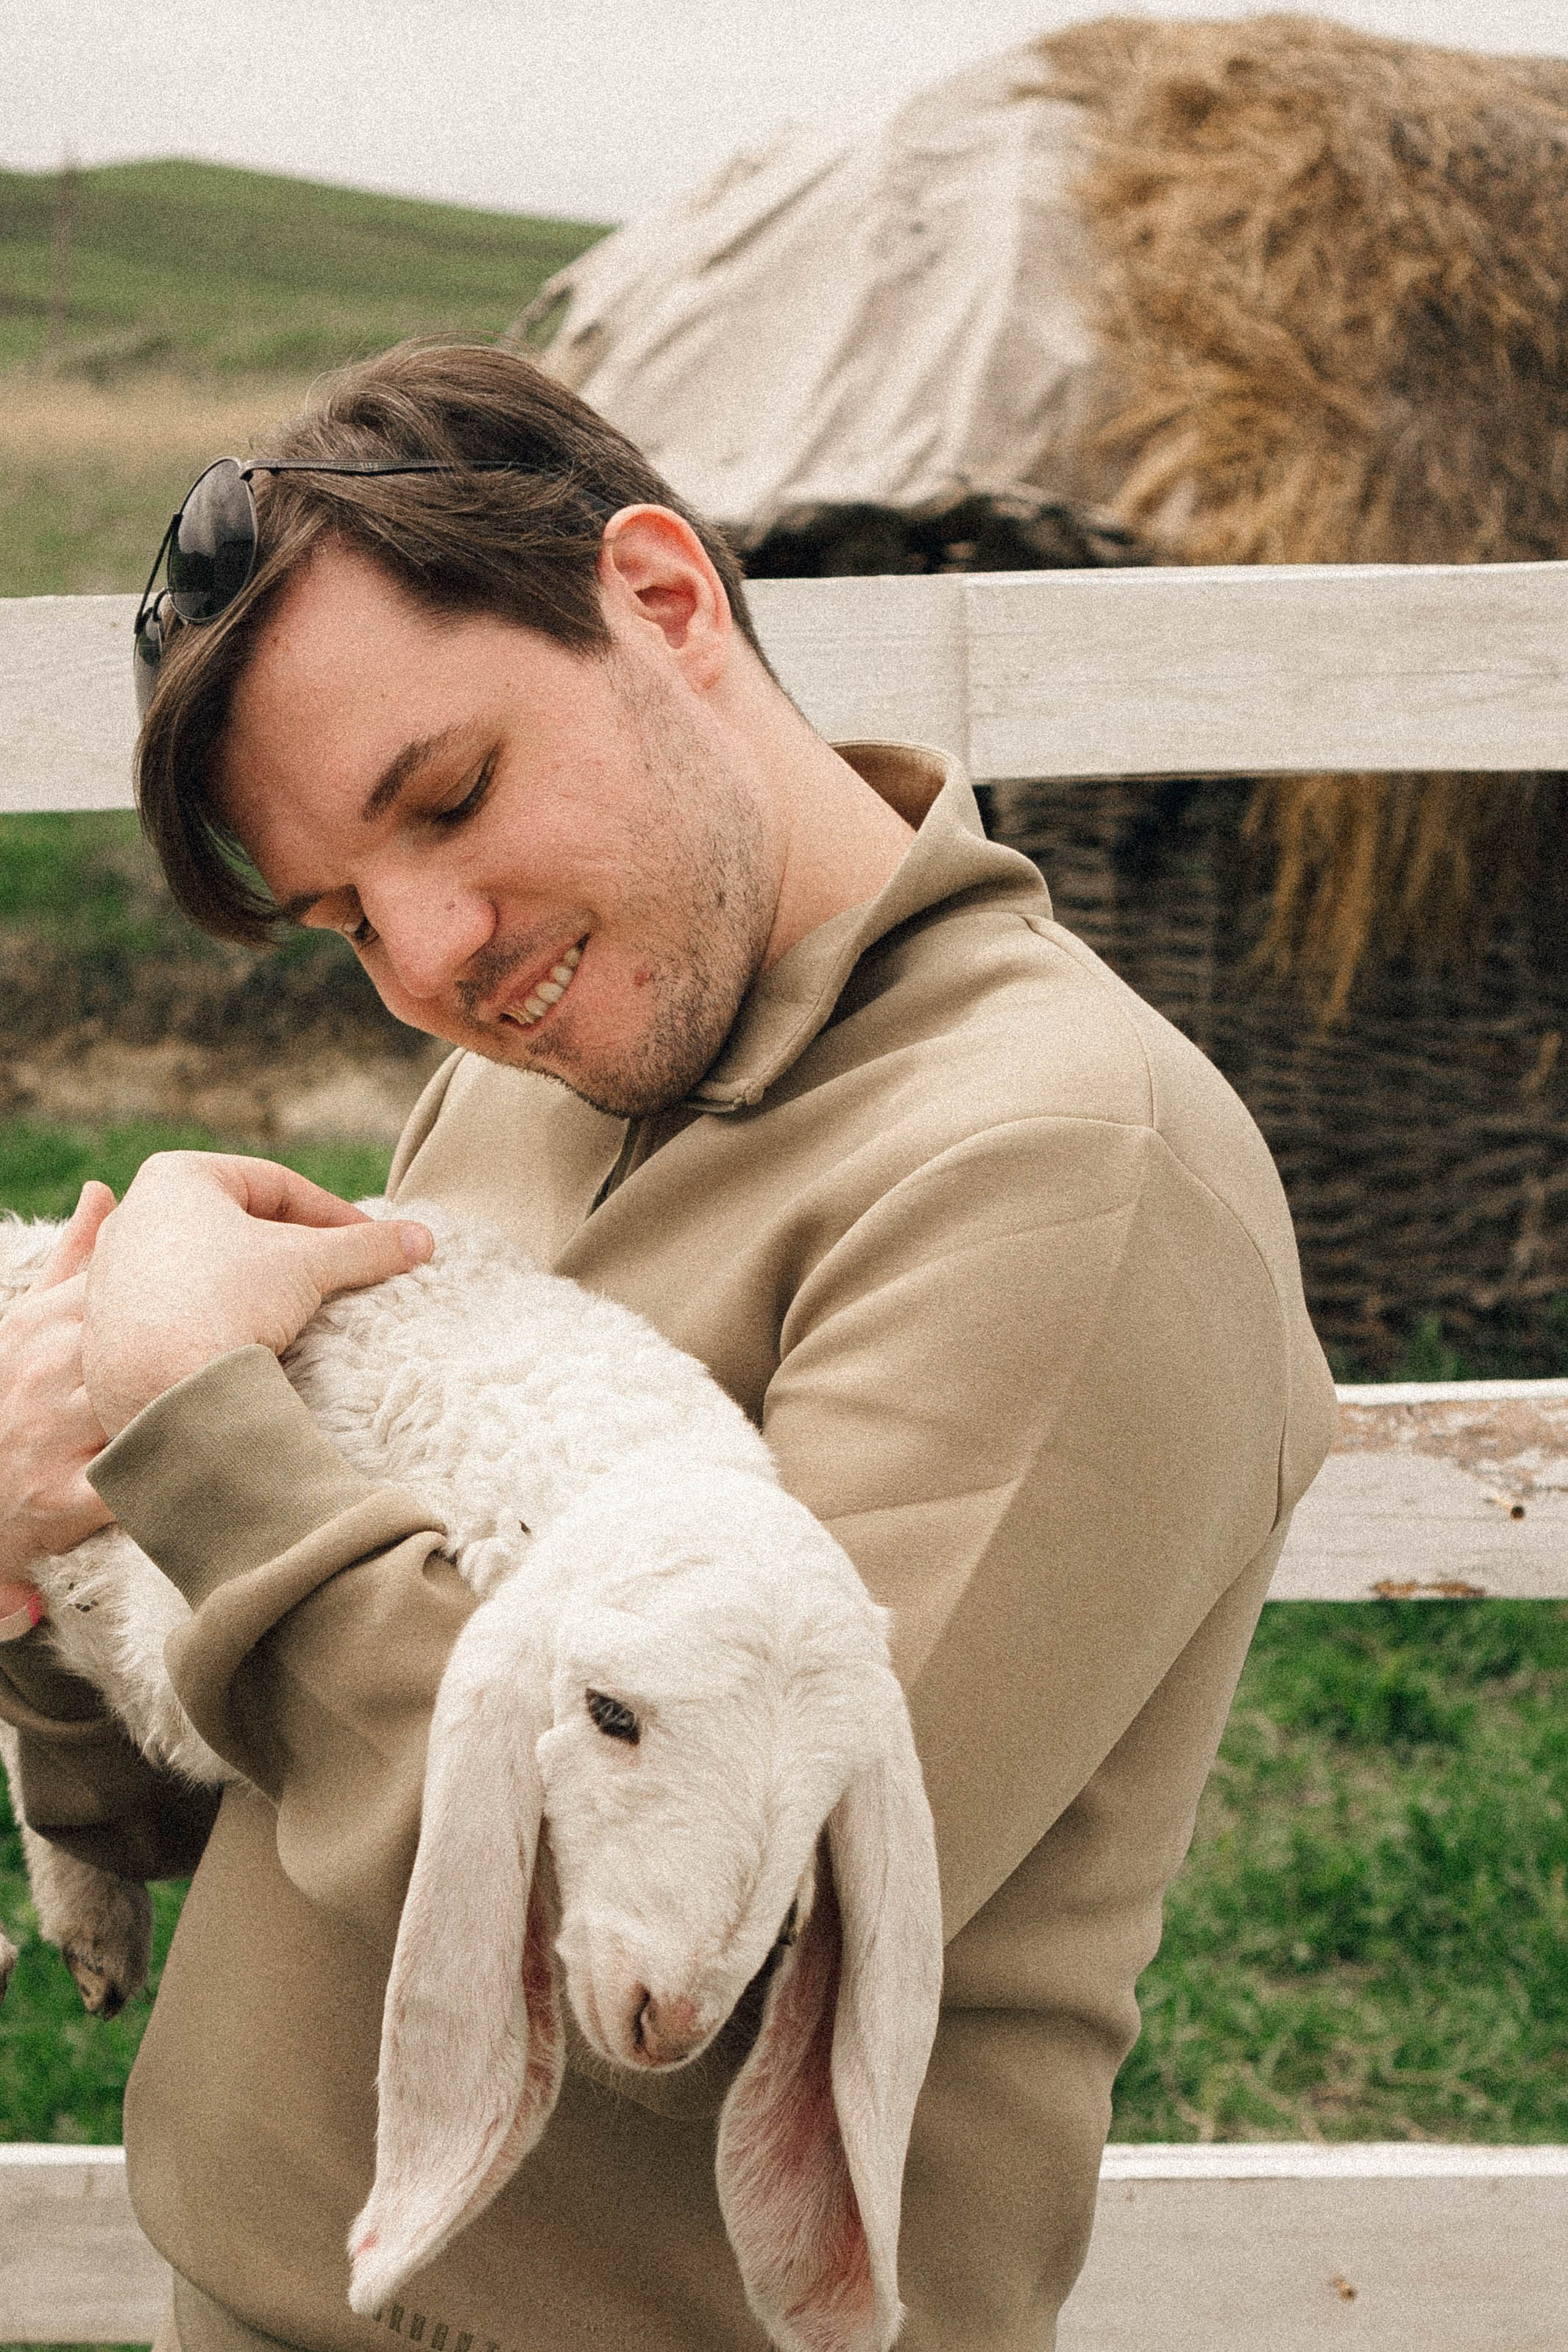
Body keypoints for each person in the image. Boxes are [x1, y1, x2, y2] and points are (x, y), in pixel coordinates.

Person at [0, 341, 1335, 2352]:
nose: (430, 958)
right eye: (346, 914)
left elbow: (713, 1944)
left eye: (450, 796)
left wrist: (192, 1419)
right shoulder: (534, 1064)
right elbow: (290, 1770)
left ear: (660, 595)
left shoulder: (1067, 1160)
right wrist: (55, 1552)